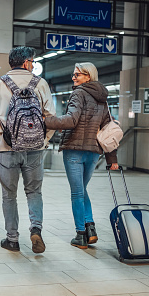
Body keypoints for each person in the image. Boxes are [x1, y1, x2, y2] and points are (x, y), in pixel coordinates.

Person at [0, 46, 56, 253]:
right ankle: (36, 229)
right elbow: (51, 117)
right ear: (25, 63)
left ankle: (12, 239)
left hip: (6, 147)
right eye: (32, 61)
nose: (33, 65)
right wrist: (43, 140)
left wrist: (2, 127)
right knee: (34, 192)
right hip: (35, 149)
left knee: (9, 195)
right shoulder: (40, 84)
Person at [44, 62, 119, 249]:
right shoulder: (102, 98)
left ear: (88, 76)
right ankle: (90, 228)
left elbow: (70, 120)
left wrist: (46, 121)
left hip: (75, 150)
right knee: (82, 190)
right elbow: (108, 128)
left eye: (78, 74)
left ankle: (81, 234)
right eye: (73, 74)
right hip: (93, 152)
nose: (74, 77)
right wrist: (112, 158)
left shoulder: (78, 93)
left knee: (77, 193)